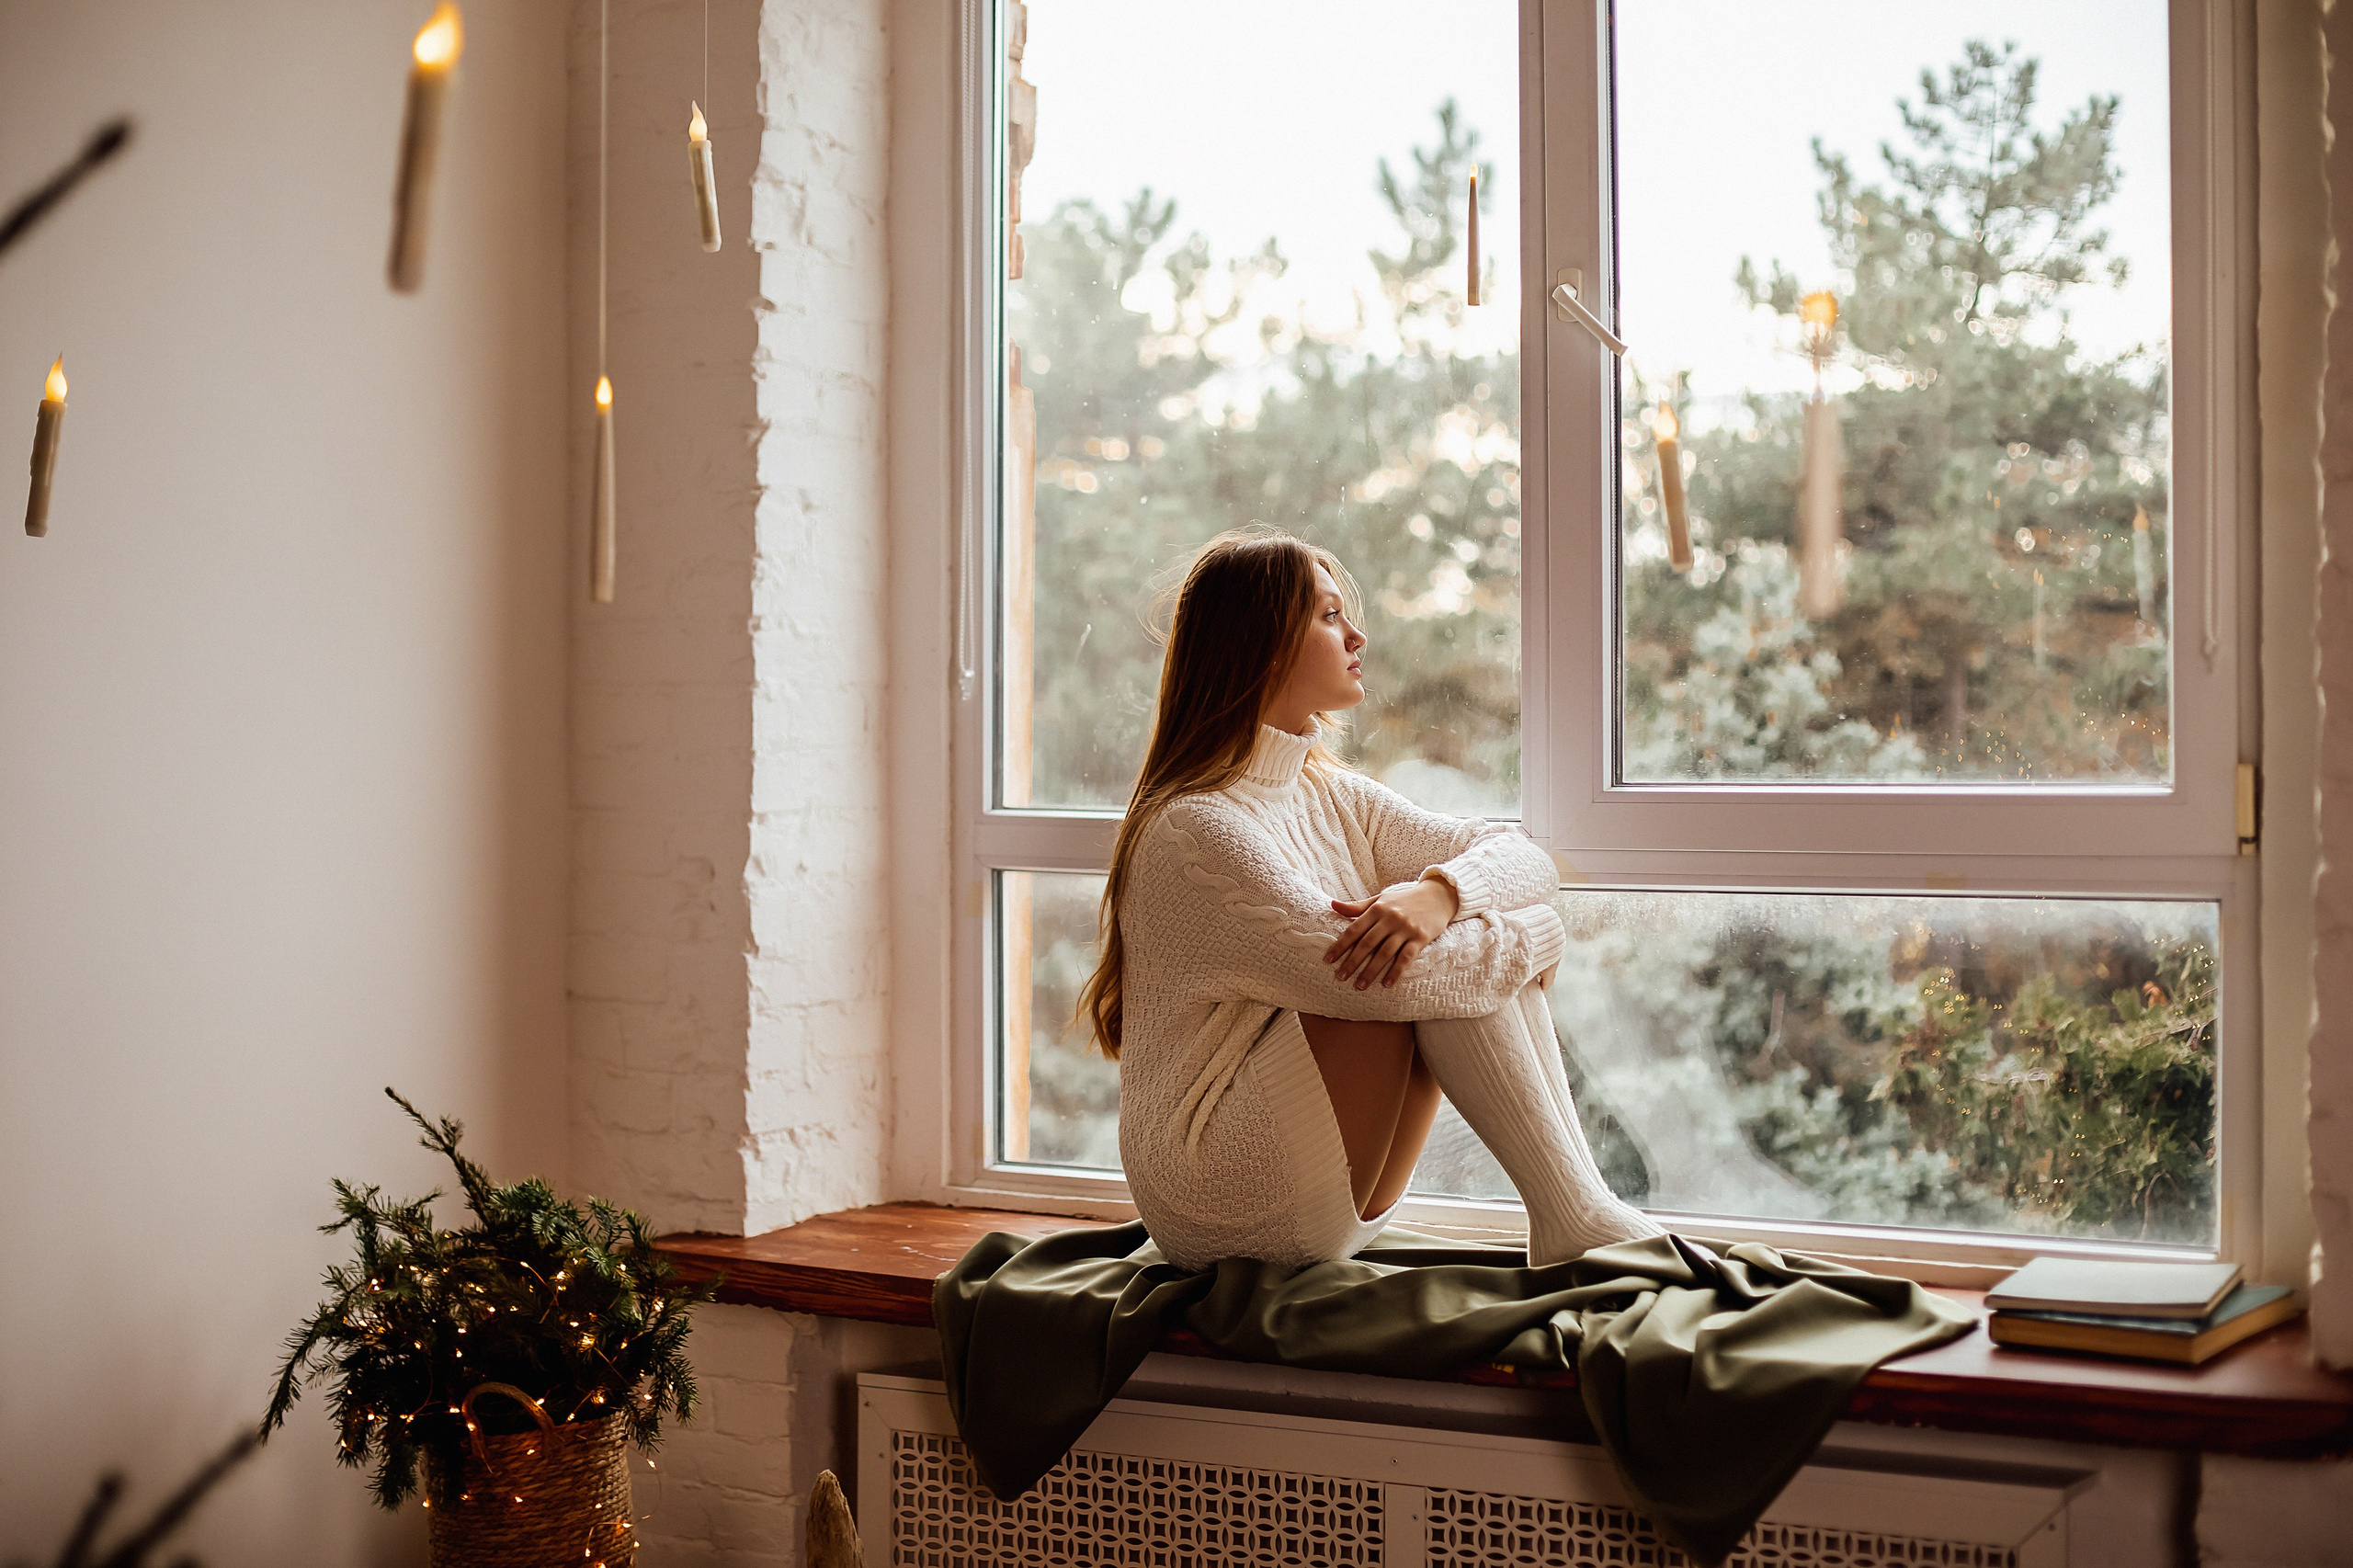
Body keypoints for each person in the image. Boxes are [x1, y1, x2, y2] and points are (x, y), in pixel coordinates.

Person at [1077, 528, 1663, 1271]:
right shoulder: (1196, 829)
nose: (1357, 634)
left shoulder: (1323, 788)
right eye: (1327, 616)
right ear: (1260, 644)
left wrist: (1444, 894)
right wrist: (1538, 935)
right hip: (1217, 1197)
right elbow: (1389, 983)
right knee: (1402, 970)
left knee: (1427, 942)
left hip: (1336, 1181)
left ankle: (1574, 1210)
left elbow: (1523, 855)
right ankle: (1574, 1214)